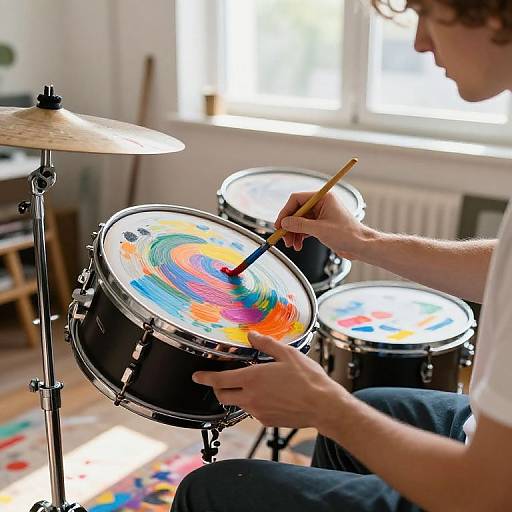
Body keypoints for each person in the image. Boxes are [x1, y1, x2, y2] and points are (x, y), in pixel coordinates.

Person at [171, 1, 512, 510]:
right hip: (482, 437)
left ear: (492, 12)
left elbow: (486, 494)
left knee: (209, 491)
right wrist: (363, 242)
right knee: (368, 409)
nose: (420, 41)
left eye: (427, 12)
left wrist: (323, 405)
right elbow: (503, 267)